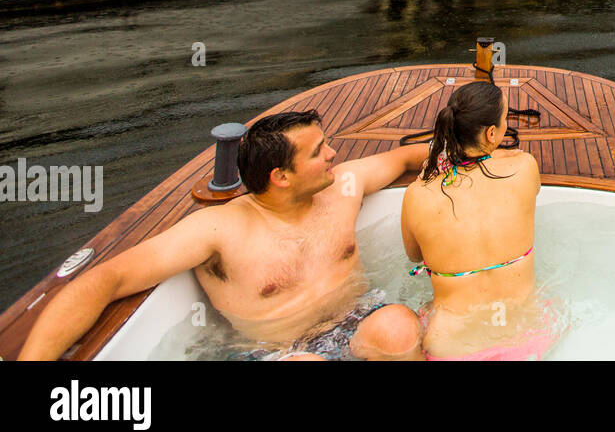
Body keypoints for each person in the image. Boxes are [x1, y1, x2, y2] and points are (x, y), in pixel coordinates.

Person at [19, 110, 429, 361]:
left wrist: (486, 156)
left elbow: (411, 155)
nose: (334, 155)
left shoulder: (344, 185)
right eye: (319, 150)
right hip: (277, 352)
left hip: (357, 321)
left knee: (398, 325)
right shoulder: (219, 230)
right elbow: (105, 281)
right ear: (280, 177)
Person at [401, 81, 556, 360]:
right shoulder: (524, 167)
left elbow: (414, 256)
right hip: (525, 334)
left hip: (450, 346)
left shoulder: (417, 194)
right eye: (505, 118)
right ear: (492, 133)